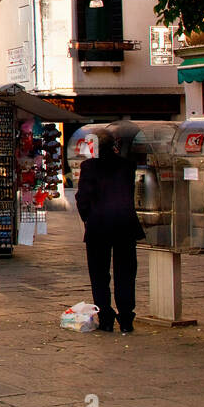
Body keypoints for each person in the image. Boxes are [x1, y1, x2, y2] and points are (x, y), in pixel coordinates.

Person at [75, 131, 145, 334]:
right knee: (126, 273)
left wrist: (89, 218)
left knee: (99, 274)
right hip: (125, 224)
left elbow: (83, 198)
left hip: (99, 226)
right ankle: (126, 318)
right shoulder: (127, 165)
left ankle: (106, 318)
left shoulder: (89, 167)